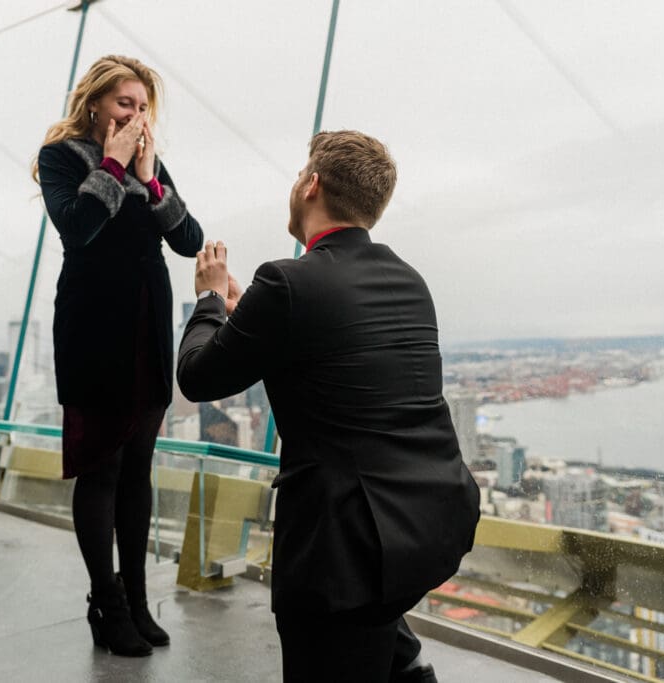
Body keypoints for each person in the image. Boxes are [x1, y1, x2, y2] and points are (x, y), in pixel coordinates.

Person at [177, 131, 481, 681]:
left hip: (343, 552)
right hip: (426, 522)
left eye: (300, 173)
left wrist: (208, 301)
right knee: (377, 638)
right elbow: (347, 373)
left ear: (312, 184)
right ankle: (407, 663)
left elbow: (197, 378)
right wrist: (251, 318)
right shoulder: (408, 281)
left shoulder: (286, 281)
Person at [33, 55, 203, 657]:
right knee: (100, 466)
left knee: (139, 468)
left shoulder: (151, 164)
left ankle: (134, 598)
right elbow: (77, 225)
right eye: (123, 103)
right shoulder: (62, 157)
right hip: (92, 325)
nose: (134, 115)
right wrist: (111, 163)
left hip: (147, 326)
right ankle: (104, 603)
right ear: (97, 104)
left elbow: (189, 240)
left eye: (141, 106)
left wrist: (152, 179)